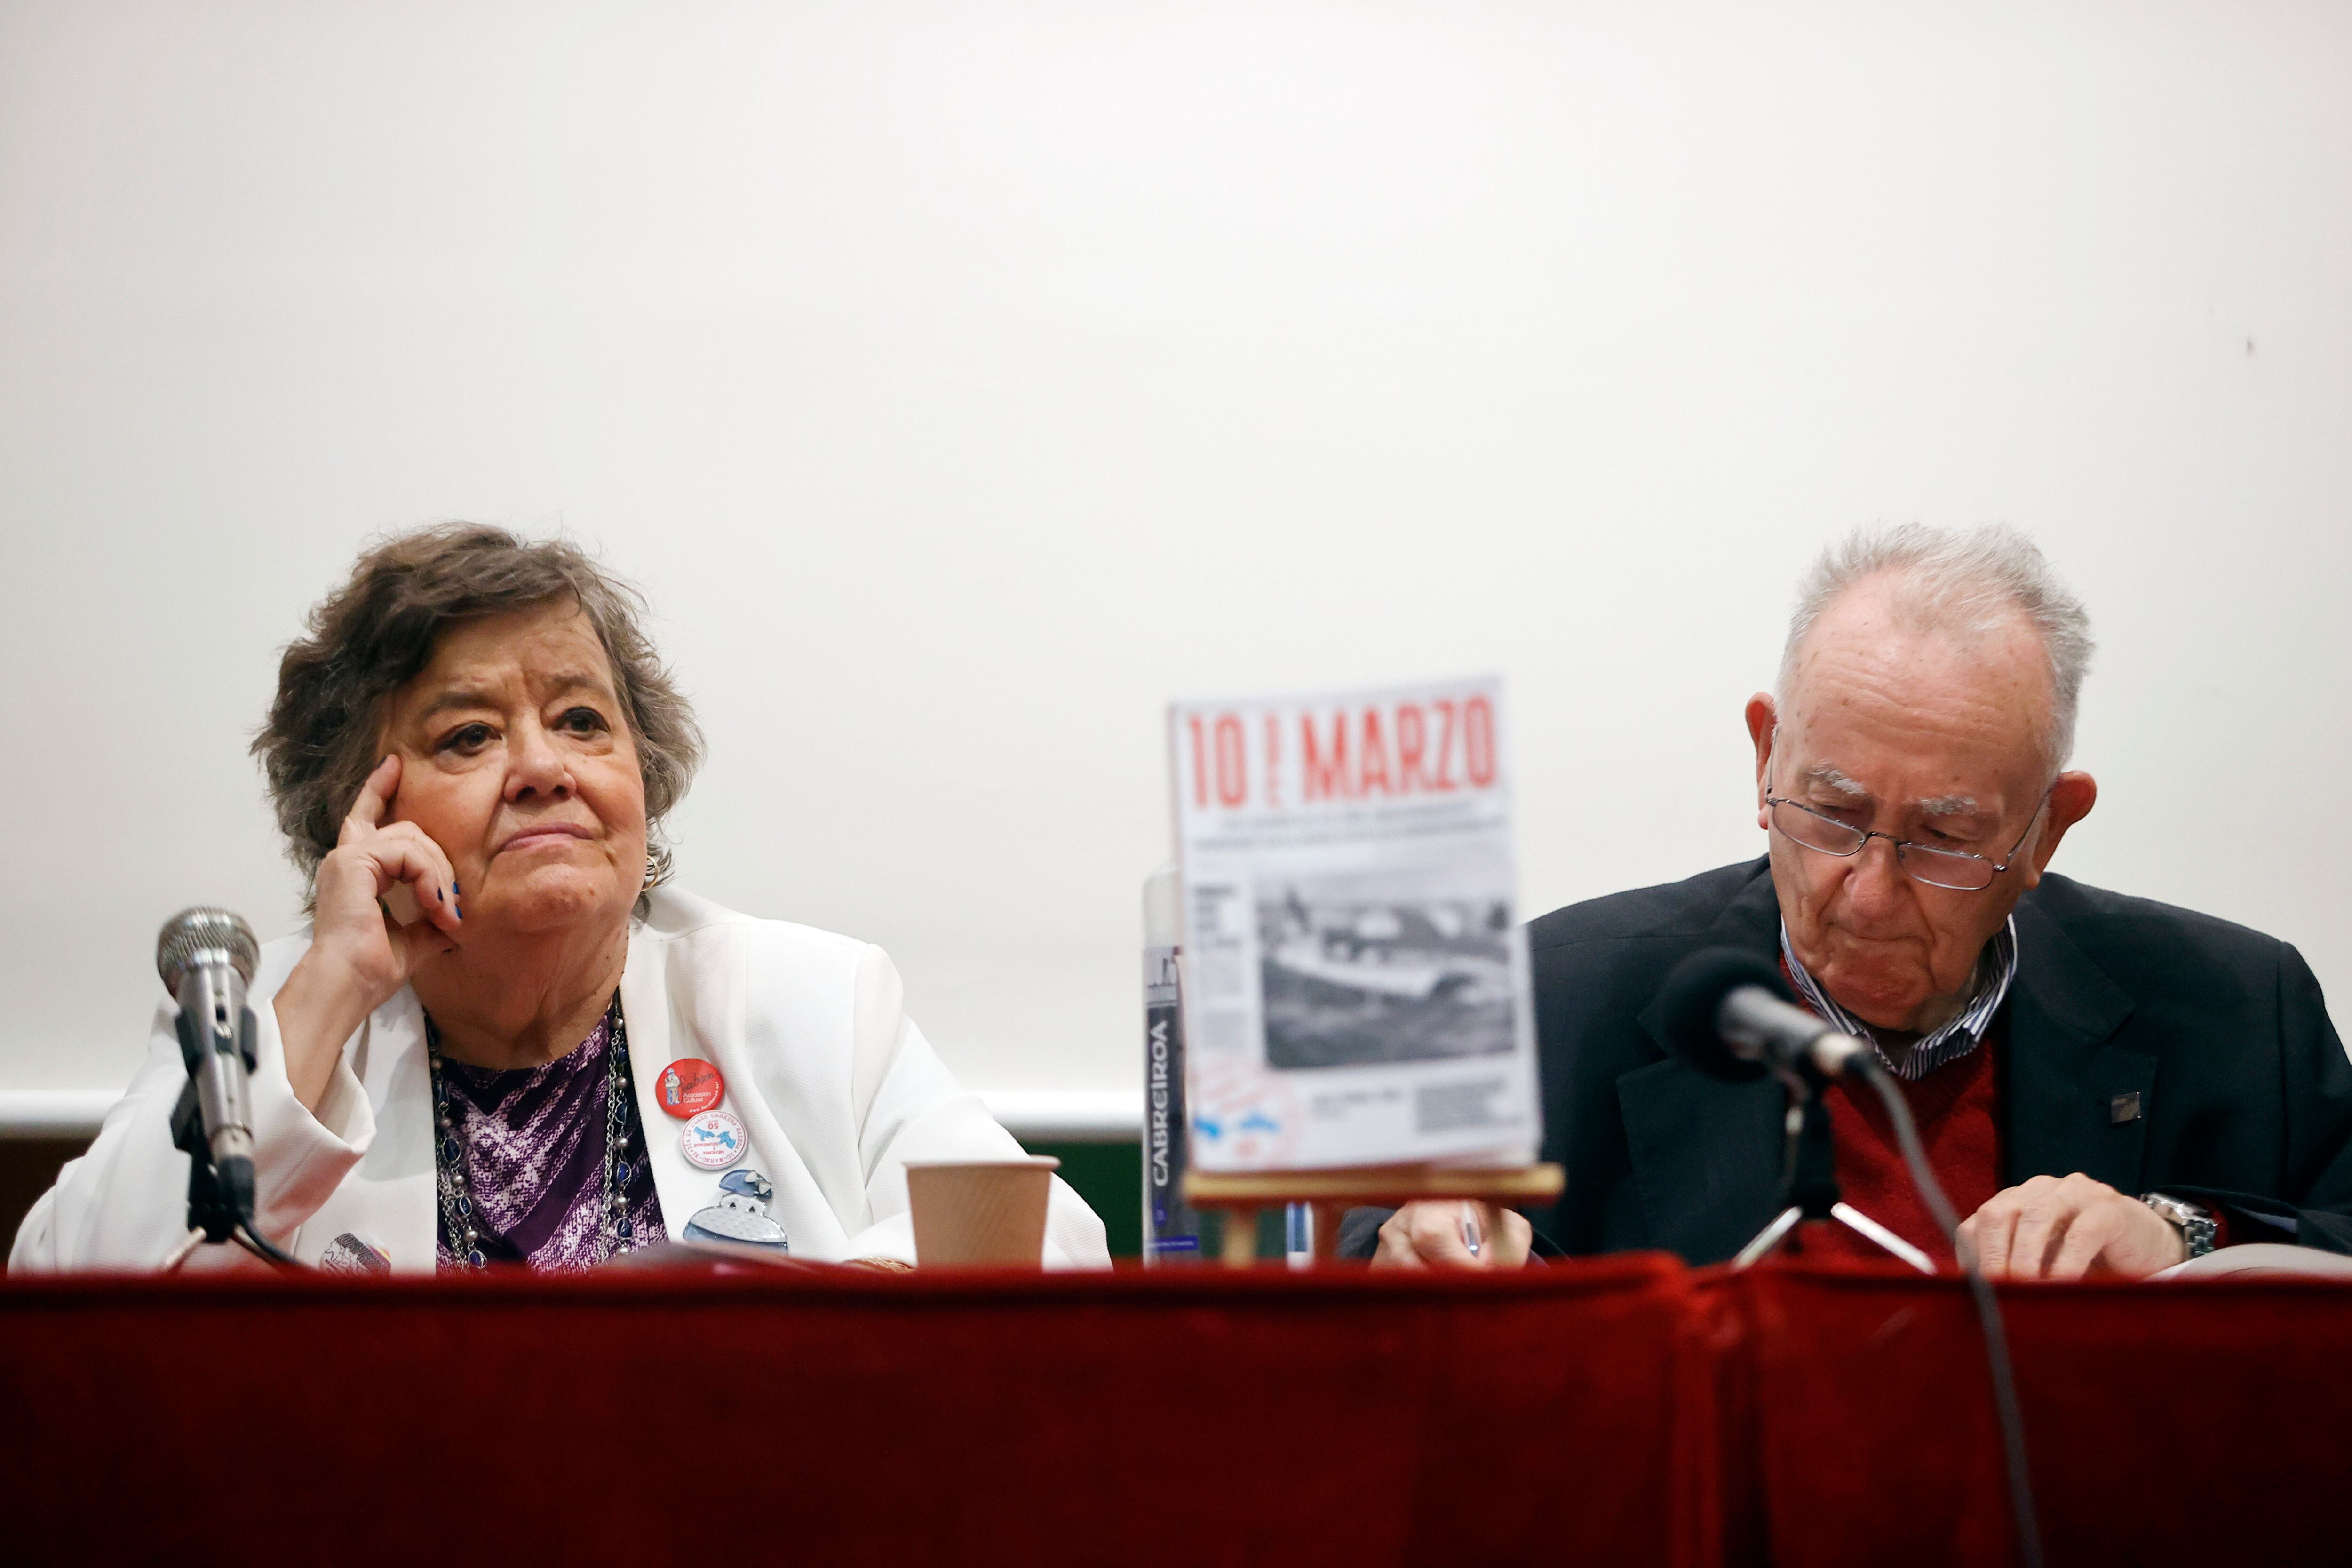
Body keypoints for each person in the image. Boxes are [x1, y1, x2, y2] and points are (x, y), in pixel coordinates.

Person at [12, 525, 1108, 1273]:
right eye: (470, 734)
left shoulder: (812, 1000)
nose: (544, 767)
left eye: (582, 720)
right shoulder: (261, 1037)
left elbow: (1050, 1241)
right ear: (364, 811)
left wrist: (798, 1335)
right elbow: (78, 1293)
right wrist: (329, 988)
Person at [1352, 523, 2352, 1279]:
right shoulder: (1551, 999)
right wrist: (1419, 1246)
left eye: (1945, 837)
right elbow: (1376, 1240)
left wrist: (2184, 1237)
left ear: (2047, 828)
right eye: (1831, 812)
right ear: (1762, 757)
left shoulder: (2235, 1011)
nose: (1869, 892)